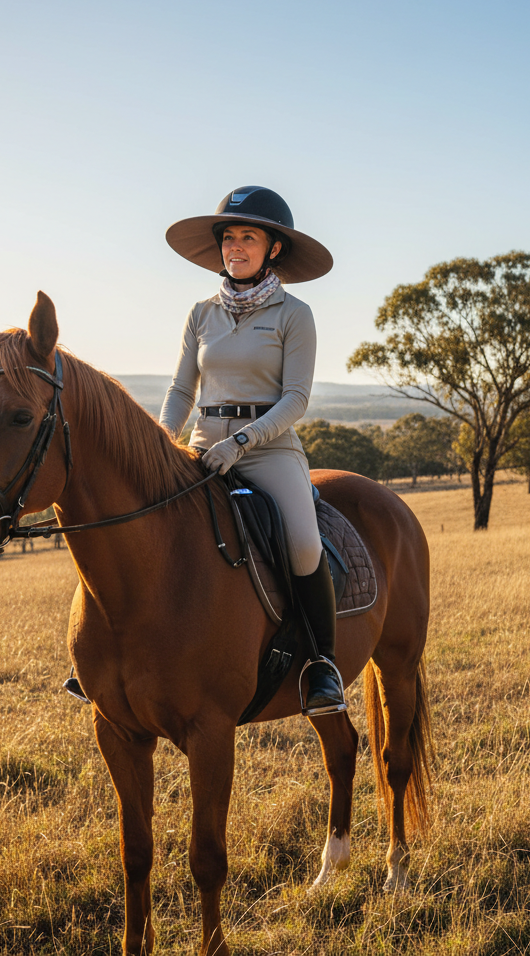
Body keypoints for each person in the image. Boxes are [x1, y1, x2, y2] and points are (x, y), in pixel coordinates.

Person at [158, 185, 345, 714]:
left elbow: (296, 399)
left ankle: (321, 666)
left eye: (248, 237)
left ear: (273, 249)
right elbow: (179, 391)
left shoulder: (294, 313)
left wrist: (243, 441)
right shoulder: (200, 313)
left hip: (269, 449)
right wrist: (160, 442)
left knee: (304, 546)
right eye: (229, 237)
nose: (235, 246)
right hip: (201, 445)